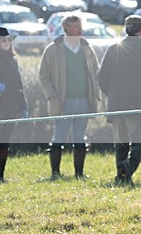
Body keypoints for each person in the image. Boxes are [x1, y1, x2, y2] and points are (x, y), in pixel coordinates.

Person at [97, 15, 141, 185]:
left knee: (121, 144)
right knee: (138, 143)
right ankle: (126, 169)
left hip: (117, 105)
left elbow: (101, 77)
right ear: (140, 29)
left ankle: (121, 175)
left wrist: (111, 94)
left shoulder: (113, 50)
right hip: (140, 106)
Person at [38, 14, 100, 178]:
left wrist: (95, 95)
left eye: (80, 26)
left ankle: (79, 173)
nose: (79, 29)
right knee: (59, 136)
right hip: (63, 102)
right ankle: (55, 173)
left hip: (84, 101)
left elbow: (96, 73)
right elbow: (43, 75)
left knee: (80, 138)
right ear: (66, 29)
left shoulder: (87, 49)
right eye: (74, 26)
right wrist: (52, 95)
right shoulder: (52, 49)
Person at [0, 28, 27, 183]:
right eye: (3, 40)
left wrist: (23, 106)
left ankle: (0, 174)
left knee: (4, 142)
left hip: (11, 106)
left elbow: (19, 85)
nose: (7, 43)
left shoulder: (13, 60)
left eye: (9, 40)